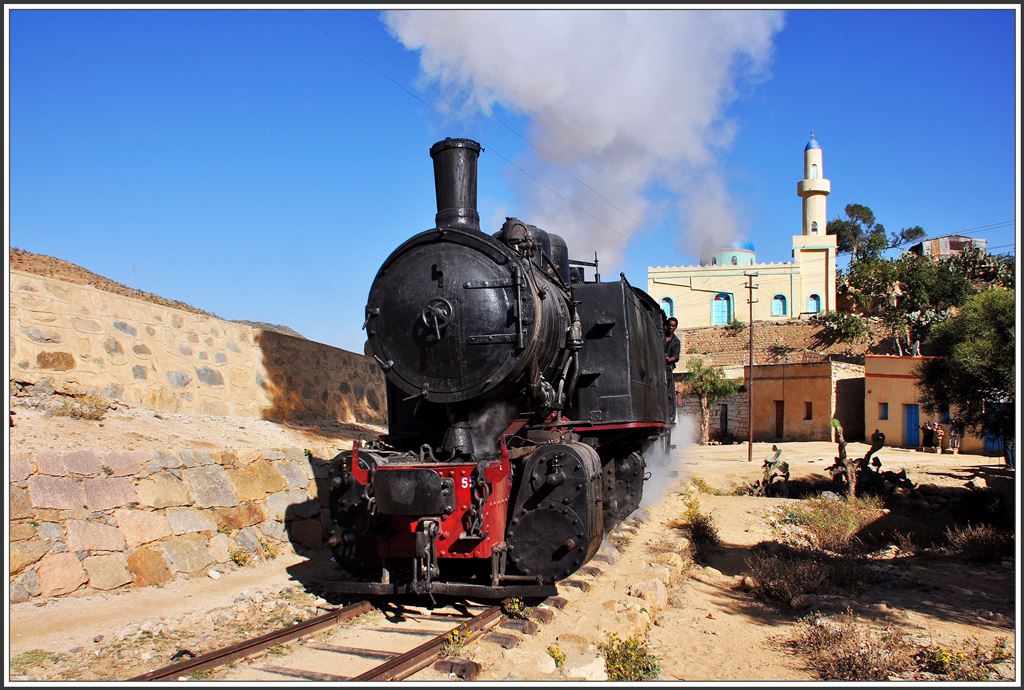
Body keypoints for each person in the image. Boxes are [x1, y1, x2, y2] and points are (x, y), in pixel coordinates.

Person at [664, 317, 680, 424]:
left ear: (675, 327)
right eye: (669, 325)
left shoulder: (676, 341)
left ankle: (670, 415)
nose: (670, 327)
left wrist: (668, 359)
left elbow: (676, 357)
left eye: (673, 325)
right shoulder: (660, 336)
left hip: (668, 367)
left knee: (669, 392)